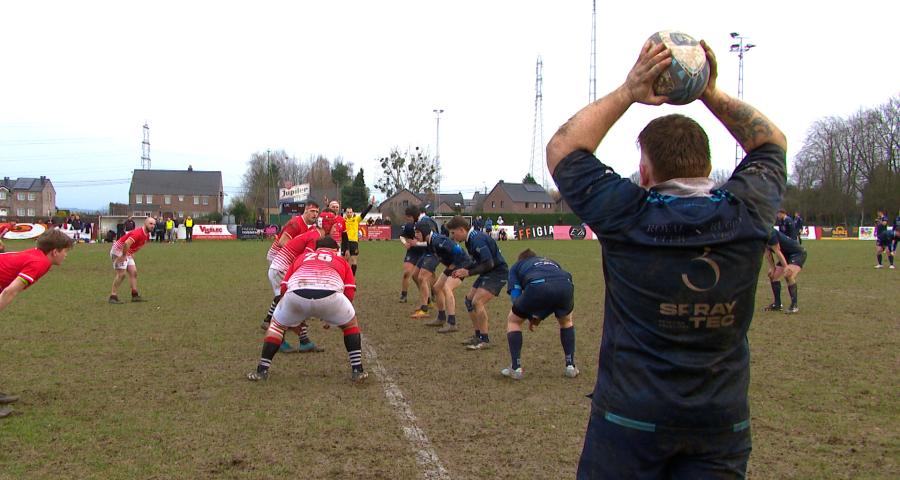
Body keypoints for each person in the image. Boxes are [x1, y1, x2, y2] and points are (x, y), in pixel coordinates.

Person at [547, 39, 786, 478]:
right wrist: (711, 93)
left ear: (645, 171)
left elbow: (563, 149)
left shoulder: (626, 214)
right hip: (721, 421)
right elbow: (771, 144)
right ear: (707, 165)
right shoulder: (747, 212)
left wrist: (628, 91)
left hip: (630, 419)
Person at [248, 236, 368, 383]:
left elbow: (284, 287)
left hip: (296, 293)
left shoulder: (301, 258)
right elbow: (349, 291)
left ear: (316, 249)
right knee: (350, 325)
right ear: (335, 250)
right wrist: (335, 317)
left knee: (277, 326)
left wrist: (292, 315)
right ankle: (357, 370)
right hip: (329, 295)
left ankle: (262, 370)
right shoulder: (341, 260)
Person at [0, 229, 74, 418]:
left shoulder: (38, 257)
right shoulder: (40, 262)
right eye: (65, 251)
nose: (66, 256)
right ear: (55, 251)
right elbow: (10, 291)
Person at [261, 211, 334, 353]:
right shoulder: (315, 237)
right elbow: (305, 260)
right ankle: (279, 339)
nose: (335, 229)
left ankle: (304, 341)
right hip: (281, 269)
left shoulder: (314, 233)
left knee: (297, 304)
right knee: (290, 305)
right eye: (333, 226)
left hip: (282, 268)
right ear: (327, 226)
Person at [500, 249, 578, 380]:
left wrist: (529, 315)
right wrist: (538, 316)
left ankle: (516, 367)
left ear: (521, 259)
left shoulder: (516, 266)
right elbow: (557, 287)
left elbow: (515, 297)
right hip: (566, 285)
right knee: (566, 321)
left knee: (514, 321)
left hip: (538, 286)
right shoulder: (551, 261)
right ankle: (570, 366)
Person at [449, 216, 509, 350]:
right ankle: (478, 335)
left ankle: (485, 339)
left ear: (461, 229)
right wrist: (465, 269)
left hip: (497, 272)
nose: (452, 236)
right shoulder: (469, 240)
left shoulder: (477, 240)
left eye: (453, 233)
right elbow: (478, 261)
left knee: (477, 302)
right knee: (469, 300)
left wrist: (468, 273)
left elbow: (489, 263)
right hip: (488, 271)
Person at [408, 218, 469, 332]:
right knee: (436, 288)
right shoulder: (430, 241)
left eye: (418, 232)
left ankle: (452, 323)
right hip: (452, 266)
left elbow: (459, 252)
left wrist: (453, 268)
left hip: (462, 265)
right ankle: (441, 318)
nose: (416, 235)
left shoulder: (439, 241)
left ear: (425, 232)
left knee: (446, 287)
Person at [109, 217, 157, 303]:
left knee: (133, 272)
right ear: (145, 223)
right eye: (150, 224)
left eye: (154, 224)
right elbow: (127, 243)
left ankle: (134, 295)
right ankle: (113, 296)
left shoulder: (146, 235)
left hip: (127, 252)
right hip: (118, 250)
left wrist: (132, 253)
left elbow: (138, 245)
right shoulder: (138, 233)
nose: (152, 226)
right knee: (122, 274)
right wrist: (123, 256)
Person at [406, 206, 440, 319]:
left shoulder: (427, 222)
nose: (408, 221)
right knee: (415, 276)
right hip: (426, 253)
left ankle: (424, 309)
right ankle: (428, 300)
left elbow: (433, 240)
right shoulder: (421, 221)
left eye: (409, 218)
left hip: (433, 253)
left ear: (414, 216)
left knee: (422, 278)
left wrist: (417, 244)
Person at [764, 231, 806, 313]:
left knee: (788, 274)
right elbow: (767, 253)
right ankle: (777, 304)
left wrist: (786, 267)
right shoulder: (759, 234)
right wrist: (772, 268)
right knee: (772, 275)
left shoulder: (771, 233)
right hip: (786, 255)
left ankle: (794, 306)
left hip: (797, 253)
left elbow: (777, 251)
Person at [343, 199, 375, 275]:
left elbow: (364, 213)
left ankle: (352, 277)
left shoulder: (356, 219)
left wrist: (370, 205)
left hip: (354, 242)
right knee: (345, 260)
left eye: (350, 212)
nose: (349, 213)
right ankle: (345, 277)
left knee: (354, 260)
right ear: (345, 213)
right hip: (345, 242)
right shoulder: (343, 220)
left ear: (352, 212)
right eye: (348, 212)